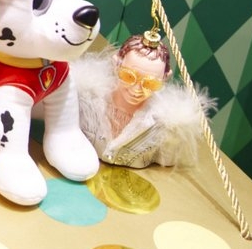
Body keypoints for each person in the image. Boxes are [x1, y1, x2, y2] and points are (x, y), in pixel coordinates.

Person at [74, 32, 215, 169]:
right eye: (129, 77)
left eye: (150, 84)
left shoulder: (166, 128)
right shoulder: (85, 100)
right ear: (116, 64)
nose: (137, 89)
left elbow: (167, 160)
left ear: (164, 78)